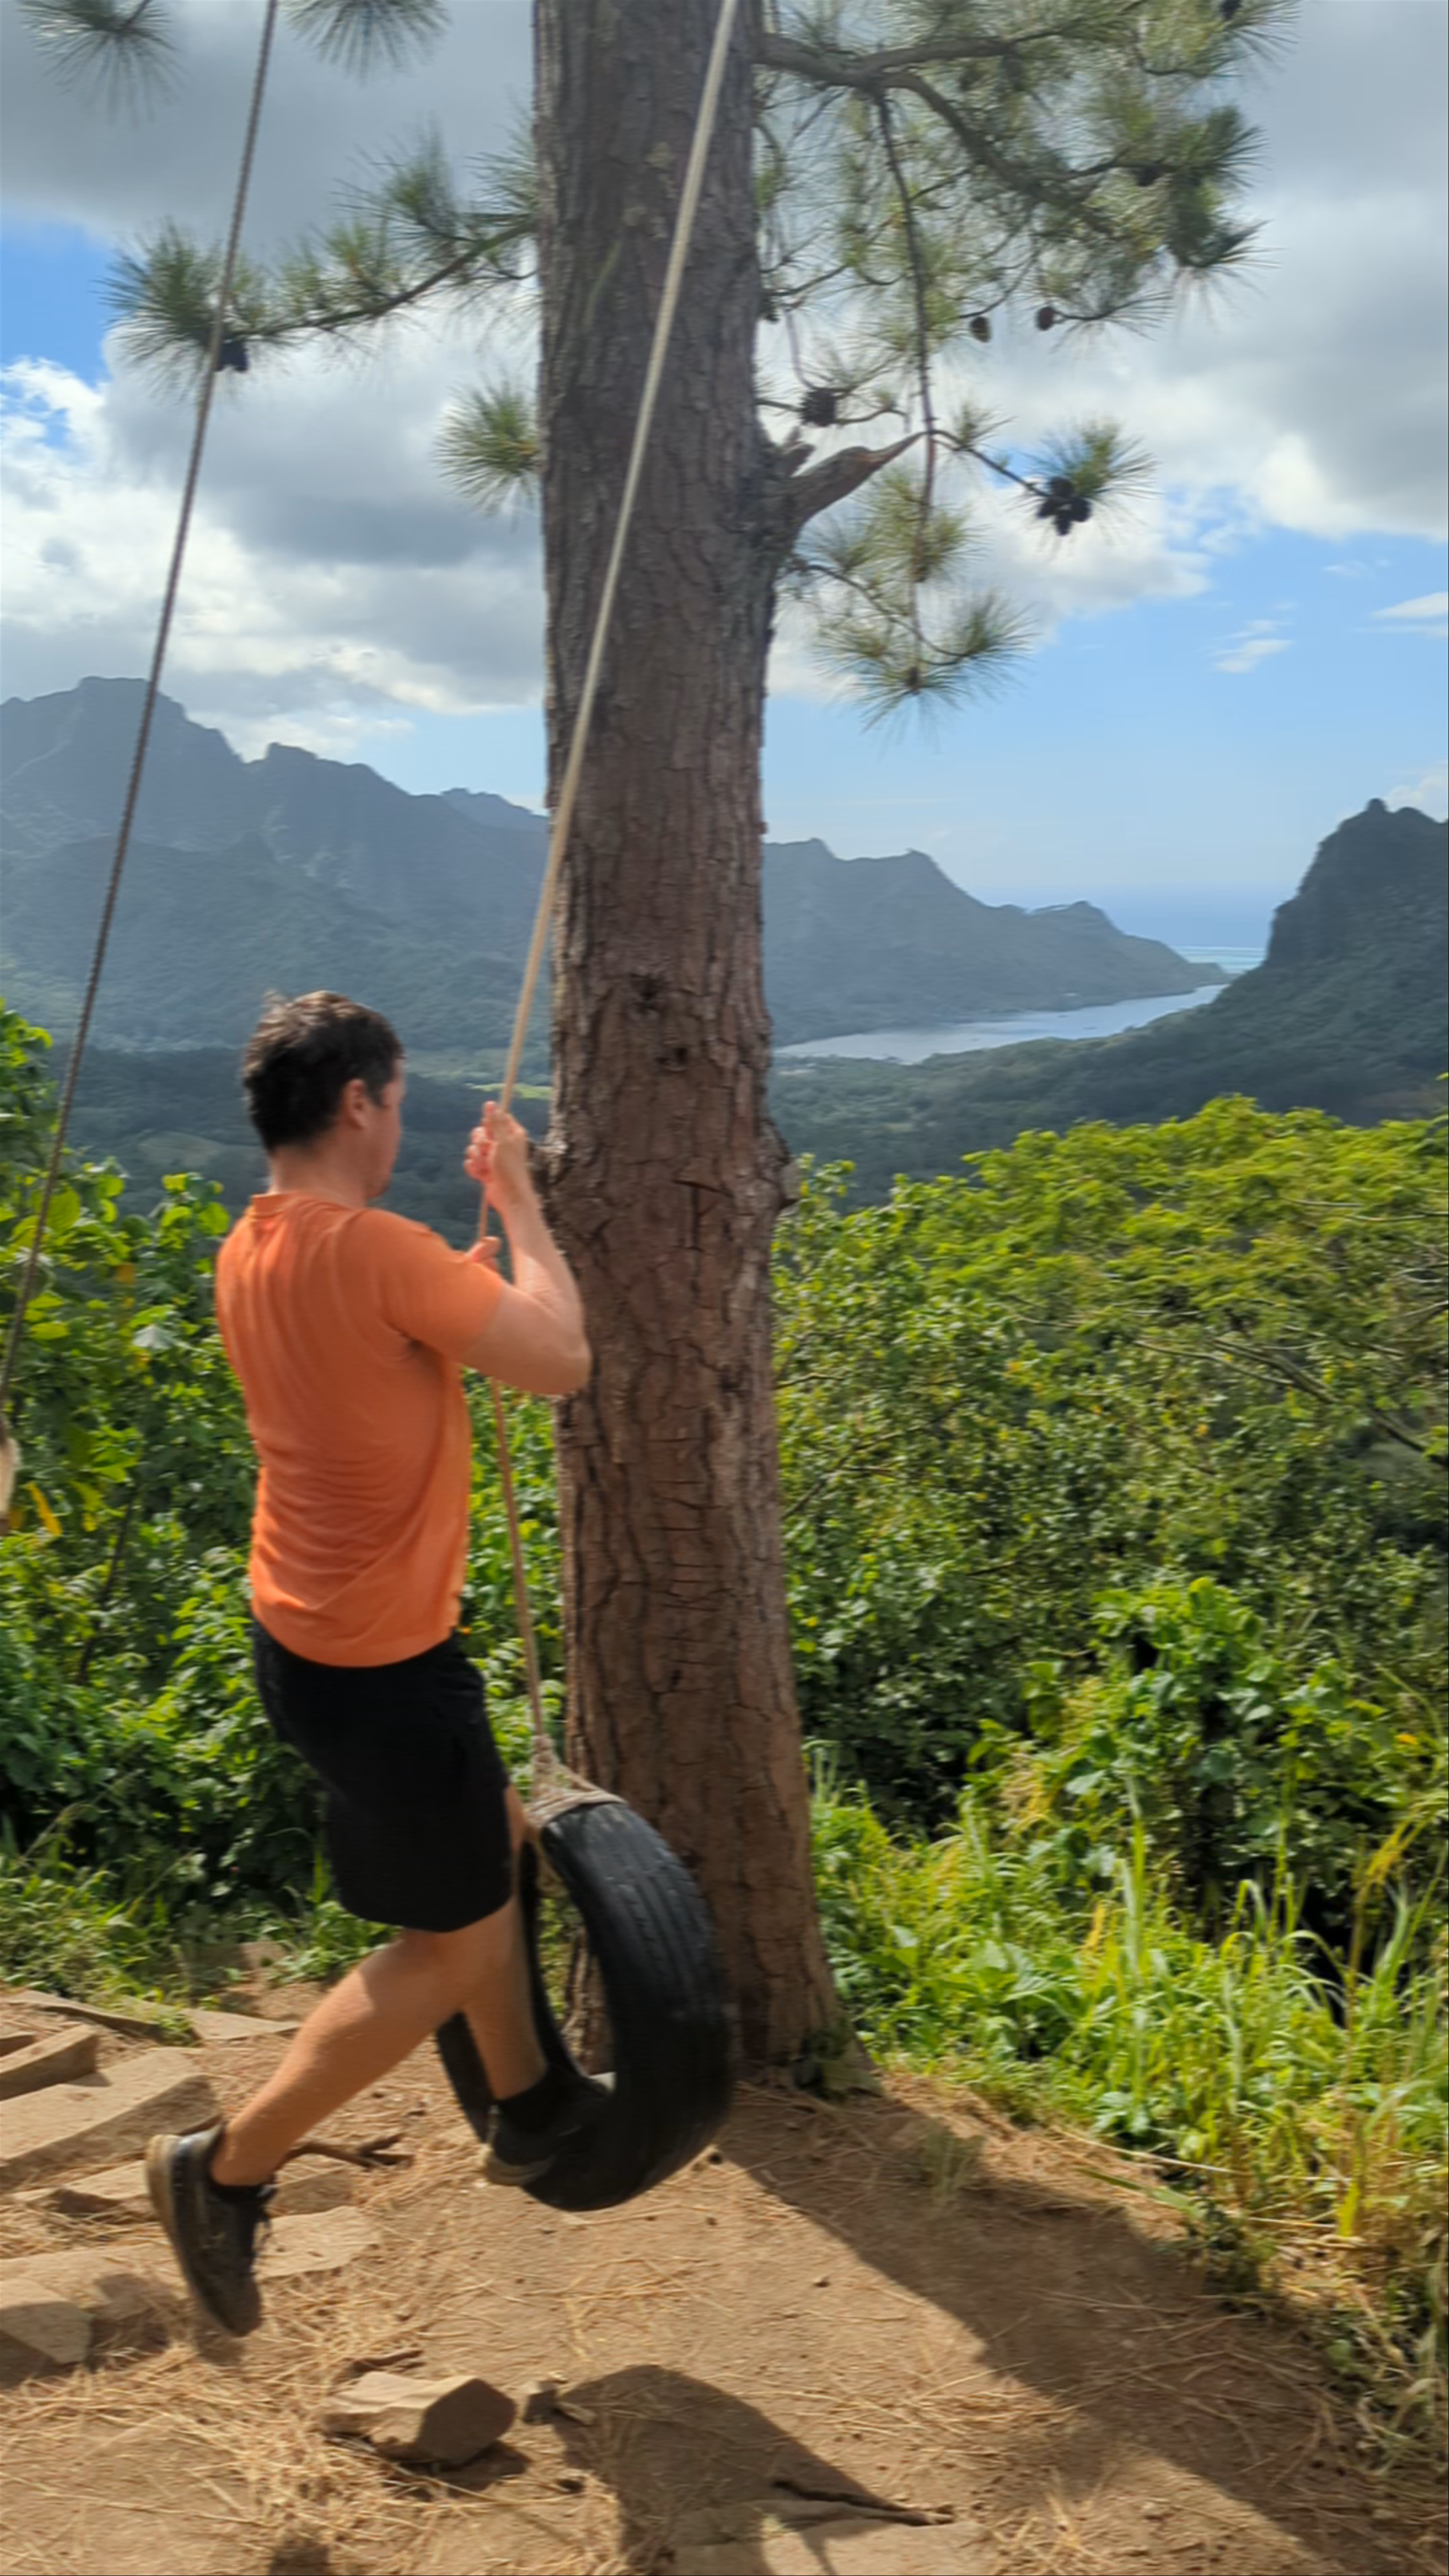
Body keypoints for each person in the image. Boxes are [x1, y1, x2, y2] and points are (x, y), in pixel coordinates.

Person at [146, 990, 602, 2338]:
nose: (399, 1126)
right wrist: (519, 1207)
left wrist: (447, 1292)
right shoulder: (377, 1251)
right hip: (389, 1669)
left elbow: (376, 1356)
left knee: (490, 1855)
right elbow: (562, 1361)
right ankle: (225, 2172)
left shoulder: (253, 1246)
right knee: (444, 1948)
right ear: (357, 1102)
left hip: (304, 1640)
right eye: (395, 1103)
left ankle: (530, 2104)